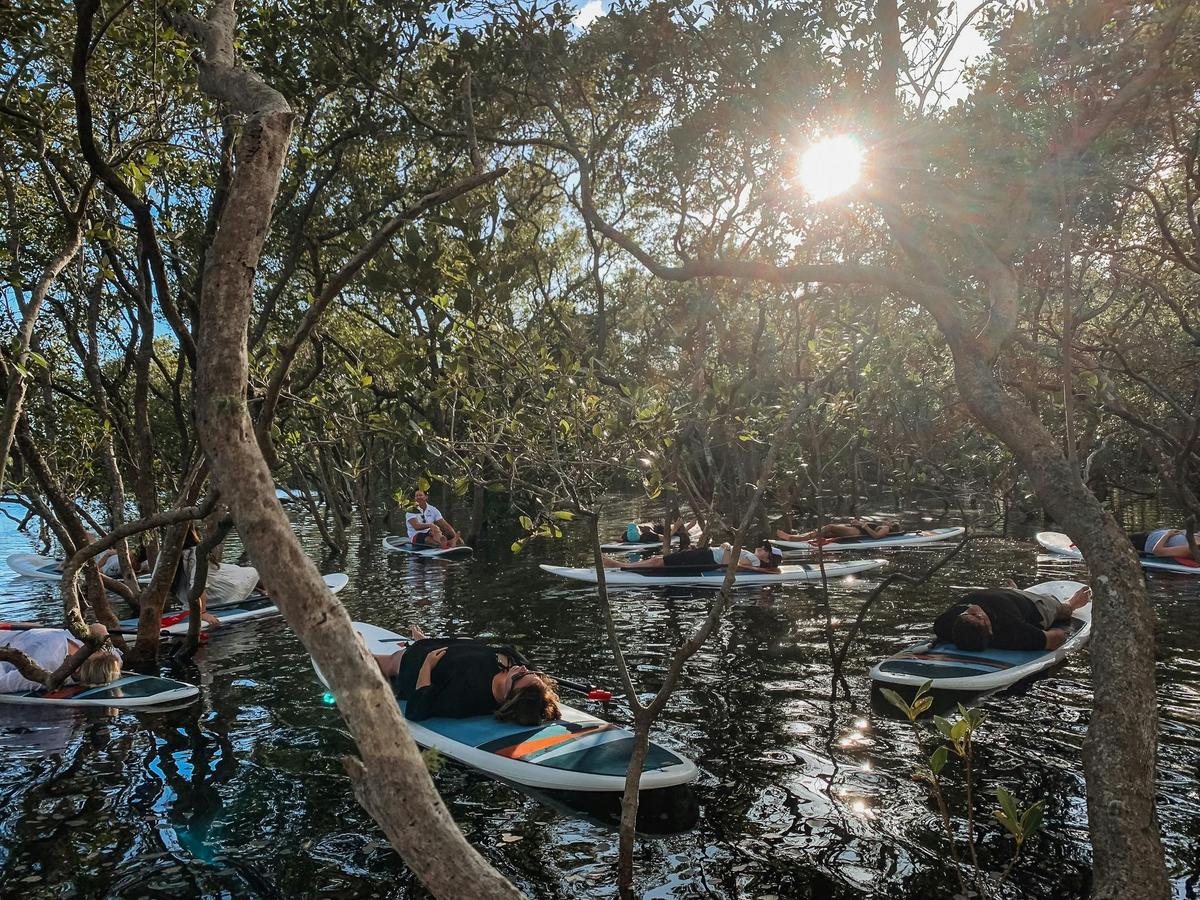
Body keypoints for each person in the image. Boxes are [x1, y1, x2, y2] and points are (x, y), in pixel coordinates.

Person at [369, 626, 559, 725]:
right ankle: (424, 641)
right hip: (442, 646)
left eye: (520, 676)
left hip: (416, 663)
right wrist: (431, 642)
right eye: (532, 672)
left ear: (511, 696)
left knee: (387, 662)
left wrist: (426, 665)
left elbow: (416, 711)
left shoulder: (469, 697)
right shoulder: (514, 664)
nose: (523, 669)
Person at [933, 580, 1092, 651]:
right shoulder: (1014, 631)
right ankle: (1072, 603)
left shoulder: (944, 624)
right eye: (976, 615)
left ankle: (1014, 590)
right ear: (990, 629)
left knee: (1006, 593)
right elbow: (1057, 638)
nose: (972, 608)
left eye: (966, 613)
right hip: (1032, 604)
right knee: (1058, 608)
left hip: (1003, 594)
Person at [0, 623, 122, 693]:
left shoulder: (48, 669)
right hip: (16, 633)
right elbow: (100, 628)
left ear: (78, 668)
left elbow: (2, 683)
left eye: (100, 650)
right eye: (102, 649)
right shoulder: (112, 660)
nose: (103, 649)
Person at [603, 540, 783, 572]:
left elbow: (729, 566)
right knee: (661, 561)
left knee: (660, 561)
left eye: (765, 549)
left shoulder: (753, 560)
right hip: (707, 555)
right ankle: (623, 565)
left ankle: (621, 566)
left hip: (707, 559)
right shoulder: (753, 558)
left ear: (767, 558)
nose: (761, 547)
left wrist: (728, 548)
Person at [776, 516, 902, 542]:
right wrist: (858, 523)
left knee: (829, 527)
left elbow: (876, 536)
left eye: (890, 521)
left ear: (891, 526)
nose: (887, 521)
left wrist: (863, 525)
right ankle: (801, 537)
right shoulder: (884, 525)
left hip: (856, 532)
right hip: (856, 528)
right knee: (828, 531)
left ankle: (796, 538)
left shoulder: (885, 528)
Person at [620, 518, 695, 548]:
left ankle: (688, 527)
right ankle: (681, 526)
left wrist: (675, 527)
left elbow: (666, 537)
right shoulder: (626, 535)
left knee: (670, 531)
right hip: (650, 525)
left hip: (657, 527)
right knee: (672, 529)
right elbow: (665, 538)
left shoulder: (648, 534)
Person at [1127, 528, 1198, 560]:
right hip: (1152, 535)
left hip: (1147, 542)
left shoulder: (1191, 548)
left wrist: (1167, 534)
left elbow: (1157, 551)